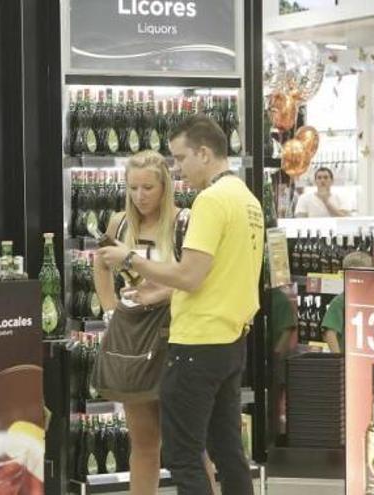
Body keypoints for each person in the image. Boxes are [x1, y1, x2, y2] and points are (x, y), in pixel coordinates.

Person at [98, 116, 263, 495]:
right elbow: (216, 273)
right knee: (227, 450)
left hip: (196, 343)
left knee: (184, 455)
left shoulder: (210, 201)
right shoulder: (247, 199)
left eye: (181, 158)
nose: (178, 168)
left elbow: (190, 275)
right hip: (231, 340)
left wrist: (130, 260)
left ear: (204, 153)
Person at [92, 150, 217, 494]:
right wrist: (110, 309)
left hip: (178, 336)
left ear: (165, 186)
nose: (140, 196)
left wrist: (162, 294)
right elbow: (100, 264)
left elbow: (199, 279)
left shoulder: (184, 223)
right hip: (134, 338)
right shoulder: (119, 223)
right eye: (133, 188)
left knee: (189, 445)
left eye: (147, 187)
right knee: (143, 442)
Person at [321, 251, 374, 353]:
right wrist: (338, 359)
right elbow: (330, 333)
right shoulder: (340, 301)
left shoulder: (370, 300)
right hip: (349, 359)